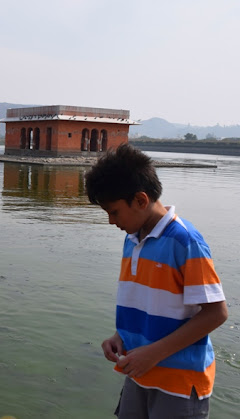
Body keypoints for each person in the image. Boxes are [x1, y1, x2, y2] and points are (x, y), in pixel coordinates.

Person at [84, 144, 228, 418]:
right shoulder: (132, 240)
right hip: (139, 373)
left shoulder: (185, 241)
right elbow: (146, 303)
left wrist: (154, 353)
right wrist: (120, 337)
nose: (110, 221)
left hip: (179, 383)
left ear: (140, 200)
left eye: (114, 212)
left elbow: (216, 313)